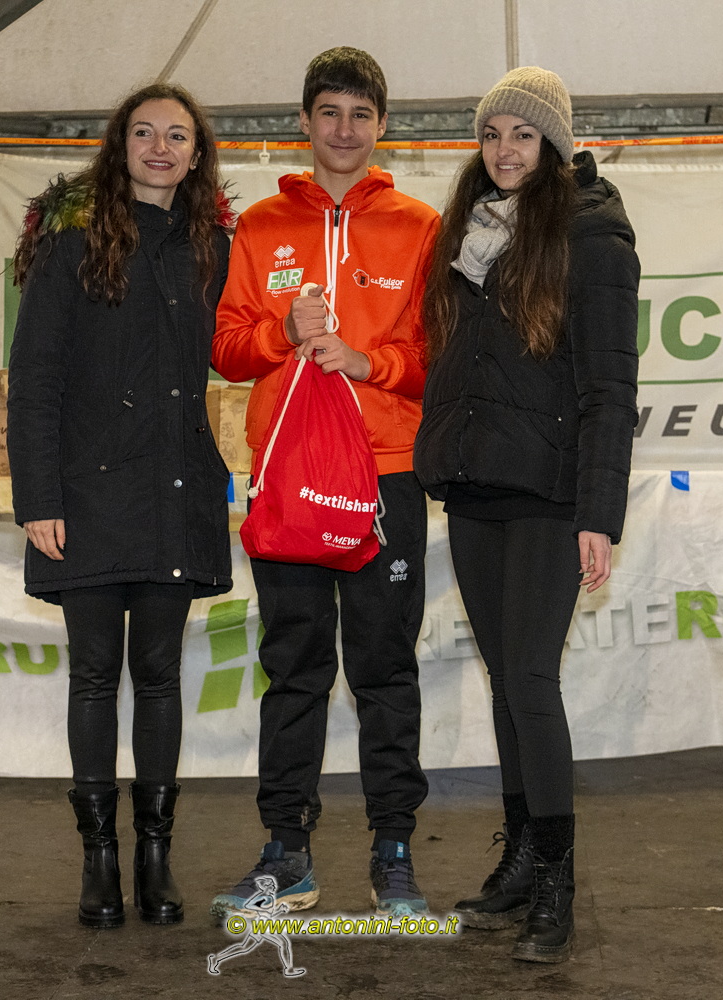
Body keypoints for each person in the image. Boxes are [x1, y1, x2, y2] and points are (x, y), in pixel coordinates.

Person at [413, 67, 639, 963]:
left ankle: (556, 882)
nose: (504, 151)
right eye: (491, 133)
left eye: (524, 134)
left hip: (550, 493)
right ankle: (520, 861)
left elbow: (609, 389)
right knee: (506, 681)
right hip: (478, 486)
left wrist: (598, 514)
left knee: (533, 682)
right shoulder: (469, 231)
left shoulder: (593, 236)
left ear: (556, 143)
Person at [209, 47, 440, 919]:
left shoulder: (420, 226)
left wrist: (368, 361)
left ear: (383, 126)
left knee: (384, 667)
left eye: (361, 115)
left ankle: (394, 851)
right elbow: (225, 349)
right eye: (330, 113)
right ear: (304, 122)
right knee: (294, 667)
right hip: (289, 479)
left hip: (387, 476)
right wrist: (282, 331)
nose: (344, 130)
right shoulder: (260, 225)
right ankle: (287, 852)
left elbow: (438, 356)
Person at [7, 83, 235, 927]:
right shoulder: (71, 243)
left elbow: (238, 346)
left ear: (197, 153)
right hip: (89, 496)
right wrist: (39, 497)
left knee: (162, 675)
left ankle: (155, 856)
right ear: (120, 145)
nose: (160, 147)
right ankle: (99, 859)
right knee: (96, 675)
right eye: (144, 132)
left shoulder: (213, 246)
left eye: (177, 135)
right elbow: (34, 382)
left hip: (174, 488)